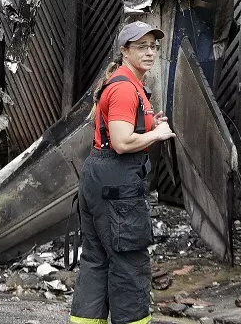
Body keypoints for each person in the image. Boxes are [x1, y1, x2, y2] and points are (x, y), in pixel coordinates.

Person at [69, 21, 175, 324]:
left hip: (101, 179)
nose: (150, 52)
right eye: (141, 46)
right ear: (124, 50)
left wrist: (150, 125)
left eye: (153, 46)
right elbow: (121, 141)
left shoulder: (124, 83)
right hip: (116, 184)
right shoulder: (126, 89)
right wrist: (158, 136)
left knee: (97, 259)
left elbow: (121, 129)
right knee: (129, 262)